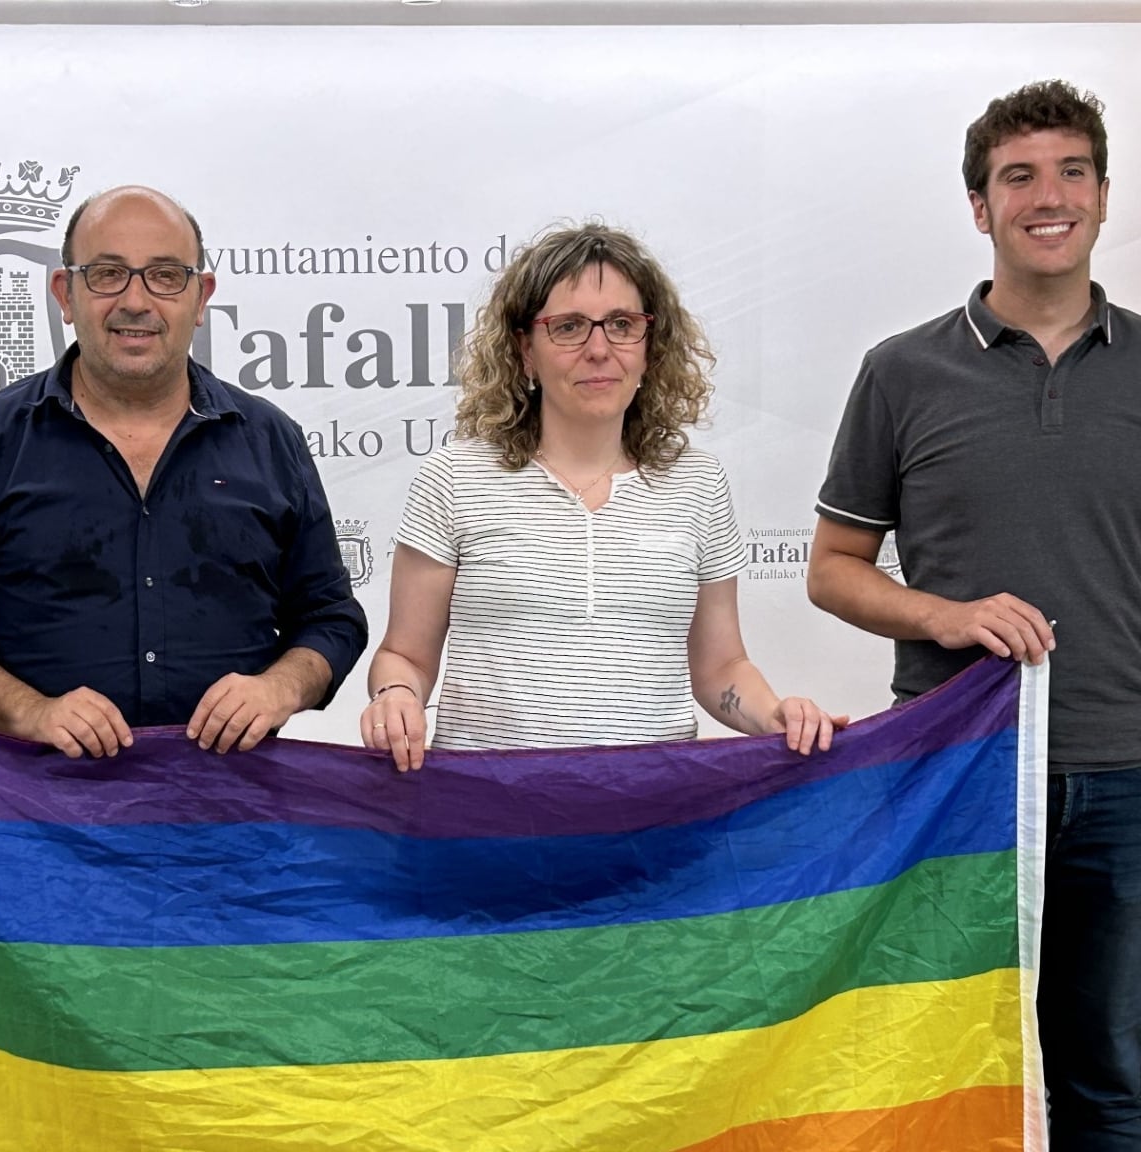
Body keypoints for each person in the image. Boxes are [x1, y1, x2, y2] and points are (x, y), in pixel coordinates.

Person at [808, 80, 1138, 1150]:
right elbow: (833, 568)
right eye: (1020, 177)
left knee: (1113, 1075)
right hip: (959, 777)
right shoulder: (902, 372)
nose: (1051, 197)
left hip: (1128, 775)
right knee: (943, 1067)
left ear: (1101, 191)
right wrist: (945, 616)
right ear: (980, 206)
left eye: (1072, 171)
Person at [0, 186, 367, 757]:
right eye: (107, 274)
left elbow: (331, 617)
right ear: (64, 294)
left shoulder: (271, 440)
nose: (135, 301)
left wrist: (278, 688)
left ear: (200, 295)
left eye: (165, 276)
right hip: (36, 815)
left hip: (233, 816)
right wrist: (31, 711)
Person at [361, 223, 842, 770]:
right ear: (525, 351)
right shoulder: (454, 477)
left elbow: (721, 669)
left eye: (621, 324)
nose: (599, 349)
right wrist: (395, 694)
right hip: (489, 825)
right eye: (568, 327)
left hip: (652, 821)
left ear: (649, 346)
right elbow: (404, 655)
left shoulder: (700, 485)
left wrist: (776, 715)